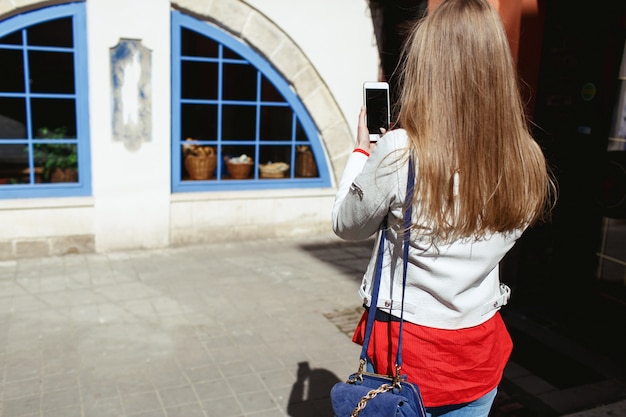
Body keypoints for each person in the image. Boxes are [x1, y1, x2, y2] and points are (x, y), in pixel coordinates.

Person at [331, 0, 556, 416]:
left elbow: (347, 225)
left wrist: (364, 151)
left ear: (429, 67)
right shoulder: (526, 157)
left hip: (408, 356)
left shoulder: (401, 150)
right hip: (479, 354)